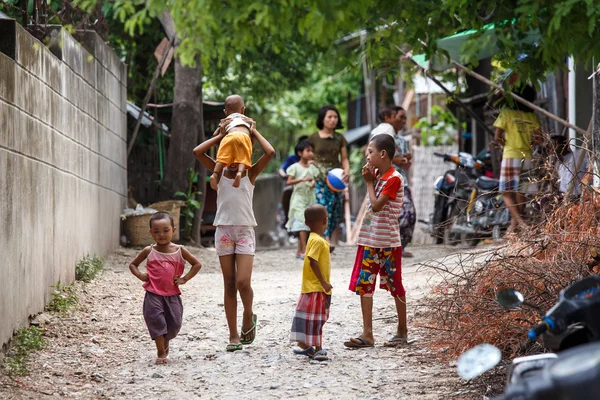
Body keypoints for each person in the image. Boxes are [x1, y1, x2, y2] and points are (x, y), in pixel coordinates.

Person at [193, 116, 275, 352]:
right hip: (224, 231)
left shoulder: (249, 174)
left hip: (245, 230)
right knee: (229, 284)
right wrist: (221, 135)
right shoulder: (217, 174)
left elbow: (269, 152)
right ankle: (233, 335)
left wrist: (253, 132)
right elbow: (198, 152)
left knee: (243, 282)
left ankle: (248, 315)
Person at [344, 134, 410, 349]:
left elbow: (377, 205)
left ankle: (402, 330)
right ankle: (367, 333)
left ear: (383, 154)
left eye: (370, 151)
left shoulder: (394, 179)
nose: (367, 155)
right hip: (370, 240)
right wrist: (372, 181)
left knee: (395, 284)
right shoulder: (379, 177)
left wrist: (369, 184)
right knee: (365, 285)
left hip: (388, 242)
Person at [128, 212, 202, 364]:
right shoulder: (149, 251)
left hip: (172, 295)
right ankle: (161, 352)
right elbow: (133, 265)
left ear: (173, 230)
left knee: (174, 324)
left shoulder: (180, 250)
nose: (161, 234)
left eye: (166, 230)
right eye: (156, 231)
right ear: (151, 233)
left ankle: (166, 340)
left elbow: (197, 264)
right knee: (155, 320)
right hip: (153, 293)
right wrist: (141, 276)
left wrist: (184, 279)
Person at [493, 84, 542, 233]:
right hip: (527, 156)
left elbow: (497, 137)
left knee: (506, 193)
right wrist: (528, 144)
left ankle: (520, 223)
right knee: (521, 192)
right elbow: (539, 139)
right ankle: (513, 228)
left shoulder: (506, 113)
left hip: (511, 155)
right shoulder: (532, 115)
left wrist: (504, 145)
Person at [290, 204, 332, 362]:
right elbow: (313, 261)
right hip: (316, 288)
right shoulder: (318, 241)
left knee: (311, 318)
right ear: (326, 221)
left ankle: (306, 345)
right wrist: (324, 282)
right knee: (317, 320)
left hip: (311, 288)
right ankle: (318, 349)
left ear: (306, 223)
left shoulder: (312, 239)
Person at [308, 105, 350, 251]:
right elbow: (307, 155)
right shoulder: (313, 138)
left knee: (336, 210)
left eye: (335, 117)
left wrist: (347, 170)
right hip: (320, 180)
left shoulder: (340, 138)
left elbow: (344, 158)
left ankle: (326, 237)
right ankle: (325, 240)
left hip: (336, 180)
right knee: (323, 208)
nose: (333, 120)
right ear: (322, 119)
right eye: (329, 117)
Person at [210, 95, 253, 190]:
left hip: (229, 136)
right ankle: (239, 173)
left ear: (225, 112)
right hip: (244, 136)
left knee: (222, 157)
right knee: (243, 157)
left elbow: (214, 135)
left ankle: (215, 174)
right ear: (243, 110)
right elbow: (252, 132)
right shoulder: (246, 119)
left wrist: (221, 132)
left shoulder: (226, 120)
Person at [286, 140, 319, 259]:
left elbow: (315, 179)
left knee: (308, 223)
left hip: (310, 197)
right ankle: (304, 249)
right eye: (308, 151)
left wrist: (313, 183)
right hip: (299, 198)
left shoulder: (312, 167)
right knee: (301, 222)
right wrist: (302, 180)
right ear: (300, 153)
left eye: (312, 151)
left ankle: (299, 250)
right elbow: (289, 181)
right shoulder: (294, 167)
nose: (311, 153)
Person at [279, 136, 310, 230]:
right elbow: (281, 169)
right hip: (296, 186)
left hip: (310, 187)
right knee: (287, 191)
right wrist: (284, 175)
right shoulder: (292, 158)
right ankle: (287, 217)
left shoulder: (313, 160)